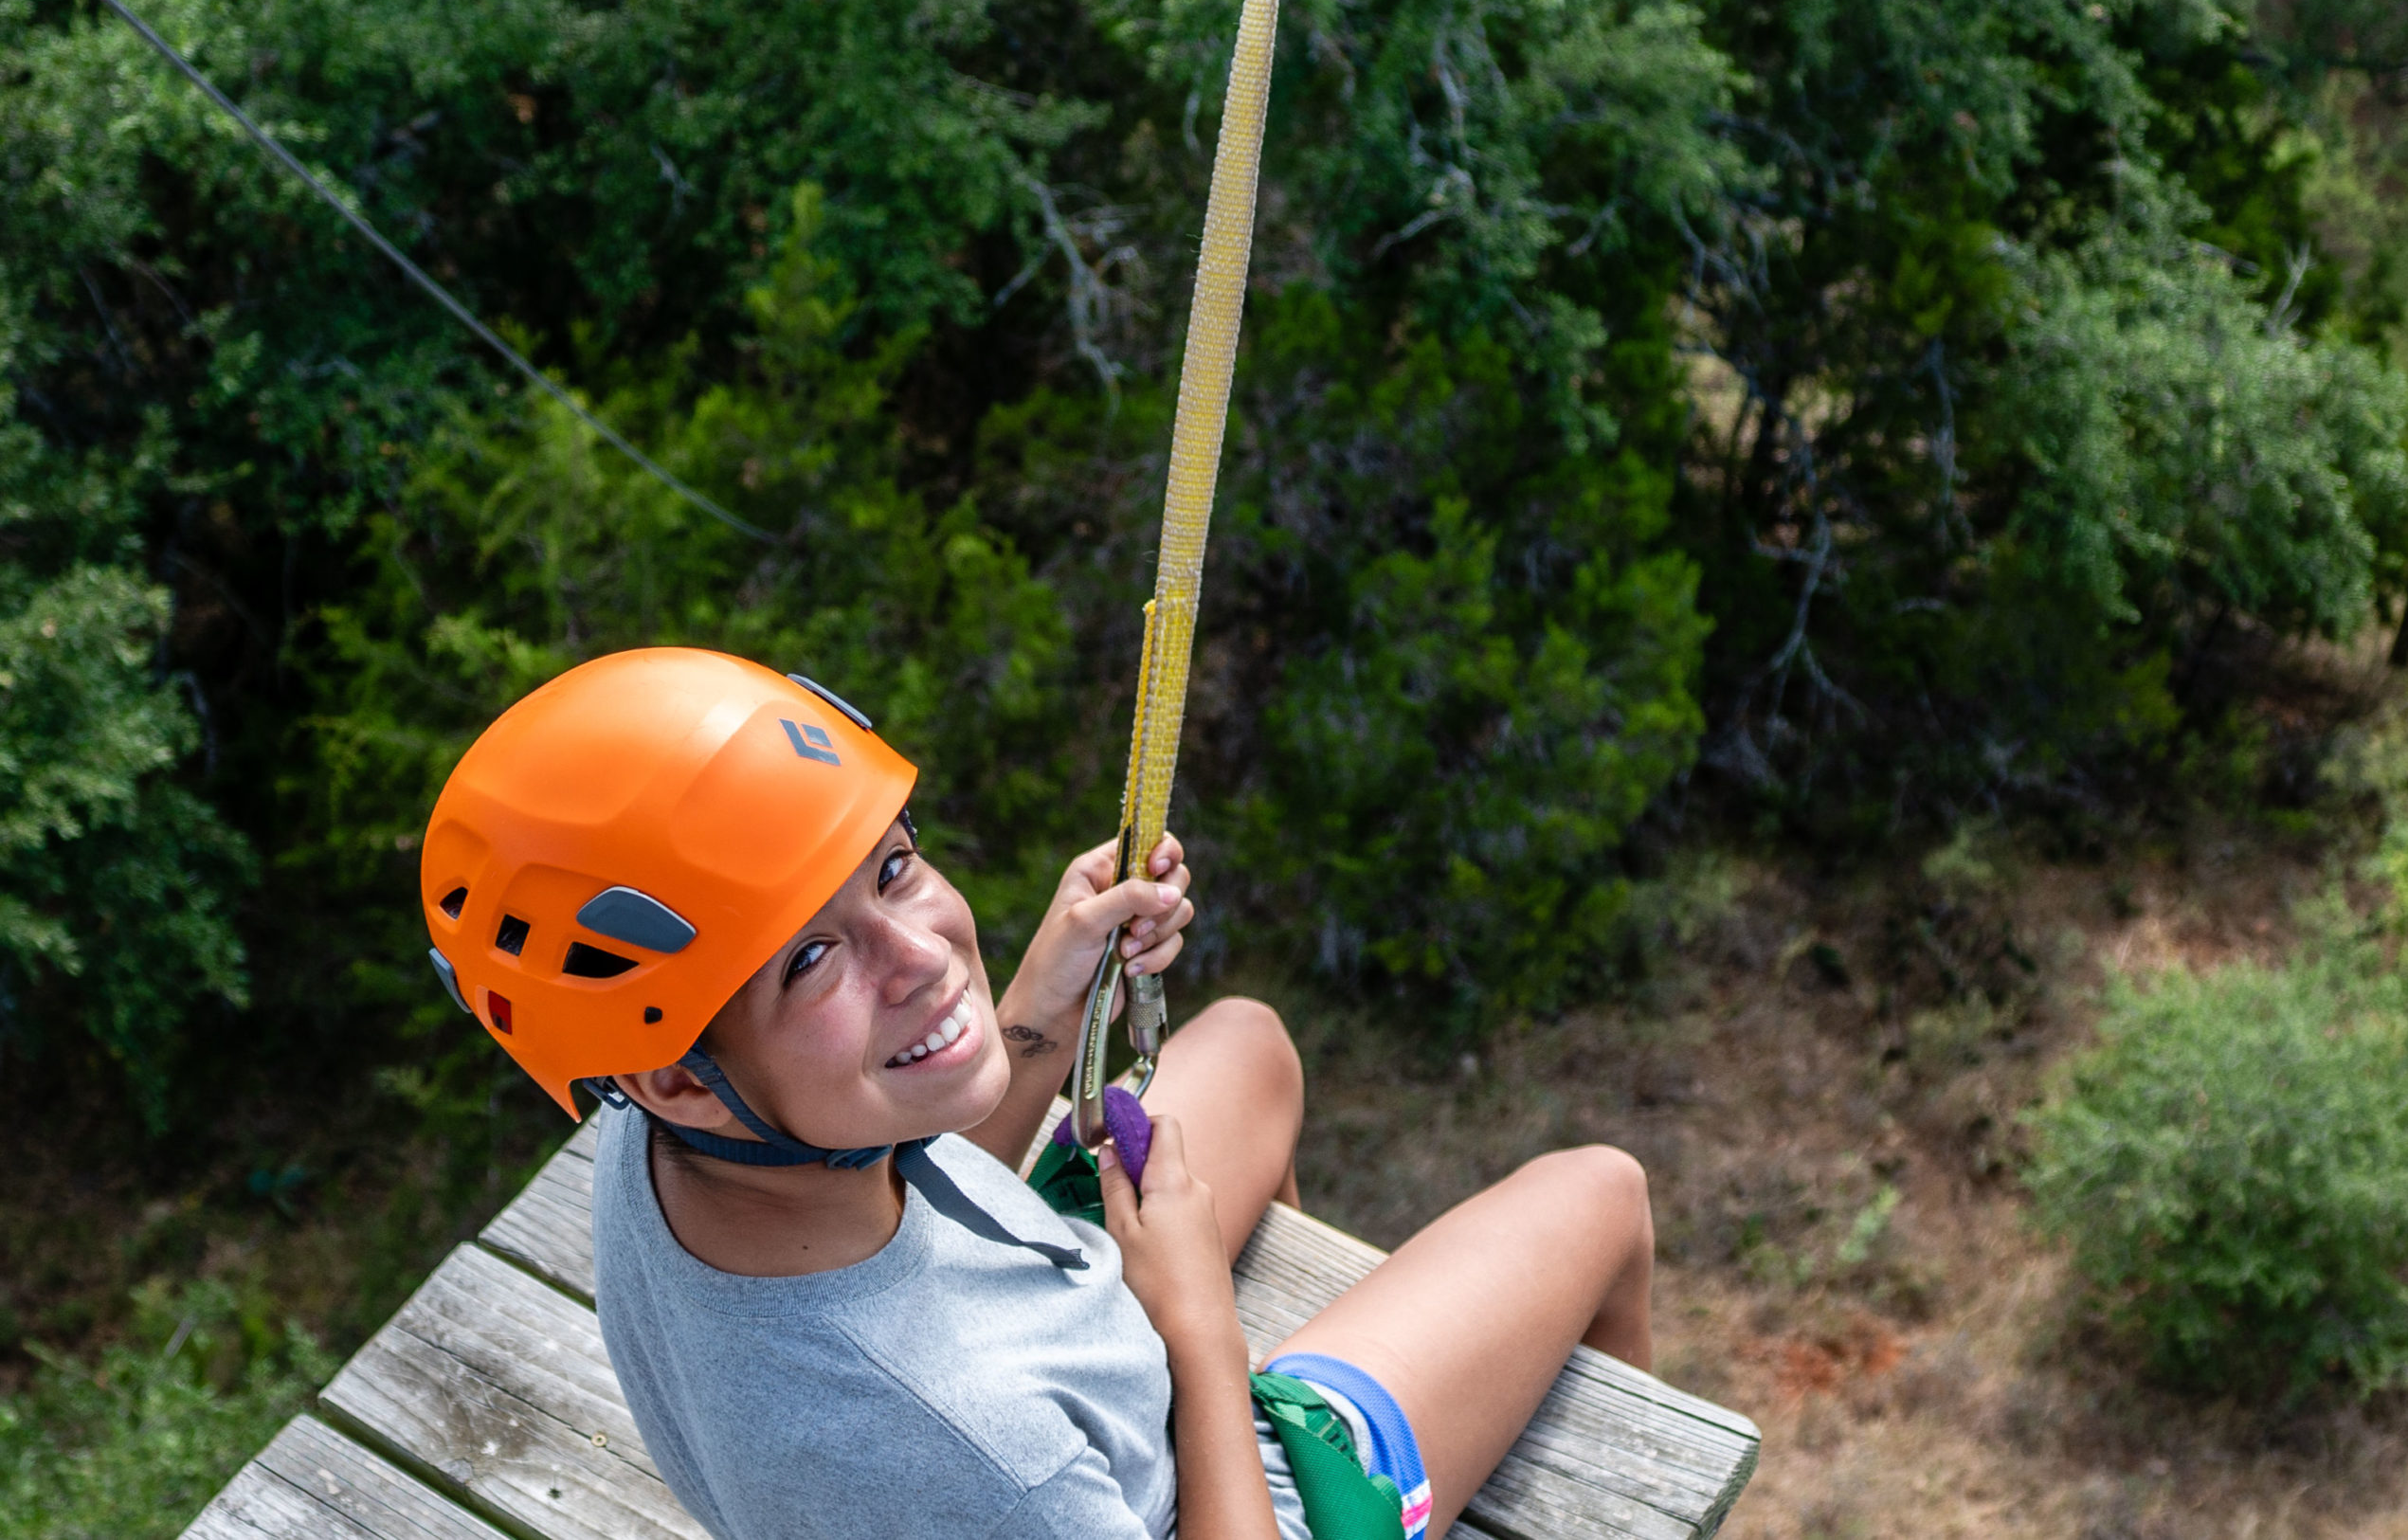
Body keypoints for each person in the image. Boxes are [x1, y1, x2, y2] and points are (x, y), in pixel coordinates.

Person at [423, 648, 1655, 1540]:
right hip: (1188, 1501)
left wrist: (1041, 1003)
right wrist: (1201, 1334)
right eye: (809, 959)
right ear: (679, 1074)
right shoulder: (972, 1452)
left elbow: (920, 1162)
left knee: (1250, 1045)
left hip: (1065, 1352)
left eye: (893, 870)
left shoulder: (670, 1146)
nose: (925, 952)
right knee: (1601, 1194)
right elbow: (986, 1449)